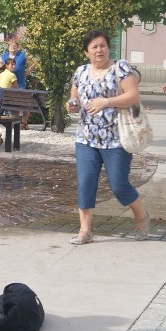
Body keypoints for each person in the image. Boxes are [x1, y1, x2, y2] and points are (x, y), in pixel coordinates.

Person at [66, 29, 150, 245]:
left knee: (119, 184)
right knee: (85, 183)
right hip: (86, 138)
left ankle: (141, 217)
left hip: (116, 139)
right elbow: (74, 98)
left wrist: (107, 102)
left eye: (102, 45)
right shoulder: (81, 72)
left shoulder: (120, 68)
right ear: (86, 52)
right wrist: (72, 106)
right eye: (94, 47)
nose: (99, 50)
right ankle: (85, 231)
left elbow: (133, 96)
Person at [0, 38, 32, 129]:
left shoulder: (22, 55)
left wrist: (26, 72)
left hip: (19, 83)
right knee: (25, 102)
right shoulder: (5, 56)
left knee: (20, 101)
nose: (12, 47)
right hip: (14, 87)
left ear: (18, 47)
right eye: (11, 46)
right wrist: (1, 67)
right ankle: (20, 123)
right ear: (8, 47)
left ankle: (21, 123)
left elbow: (31, 63)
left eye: (14, 46)